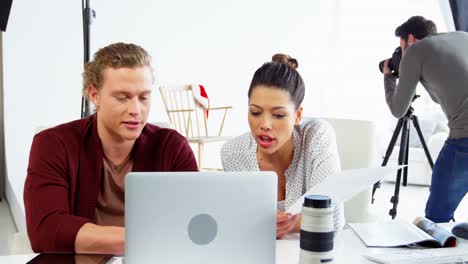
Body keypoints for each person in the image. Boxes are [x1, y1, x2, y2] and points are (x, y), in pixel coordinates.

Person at [23, 43, 198, 254]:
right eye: (122, 97)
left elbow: (194, 225)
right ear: (94, 94)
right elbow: (46, 231)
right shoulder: (53, 144)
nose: (135, 110)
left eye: (144, 97)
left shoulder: (172, 147)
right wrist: (151, 239)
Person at [221, 54, 345, 238]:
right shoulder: (233, 152)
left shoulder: (317, 135)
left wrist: (289, 224)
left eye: (278, 115)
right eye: (255, 112)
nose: (264, 124)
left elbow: (332, 219)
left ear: (298, 115)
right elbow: (237, 221)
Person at [382, 16, 468, 222]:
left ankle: (440, 250)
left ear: (410, 39)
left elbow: (398, 110)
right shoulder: (463, 37)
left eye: (401, 45)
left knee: (436, 218)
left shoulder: (415, 51)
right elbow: (443, 97)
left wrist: (388, 77)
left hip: (465, 137)